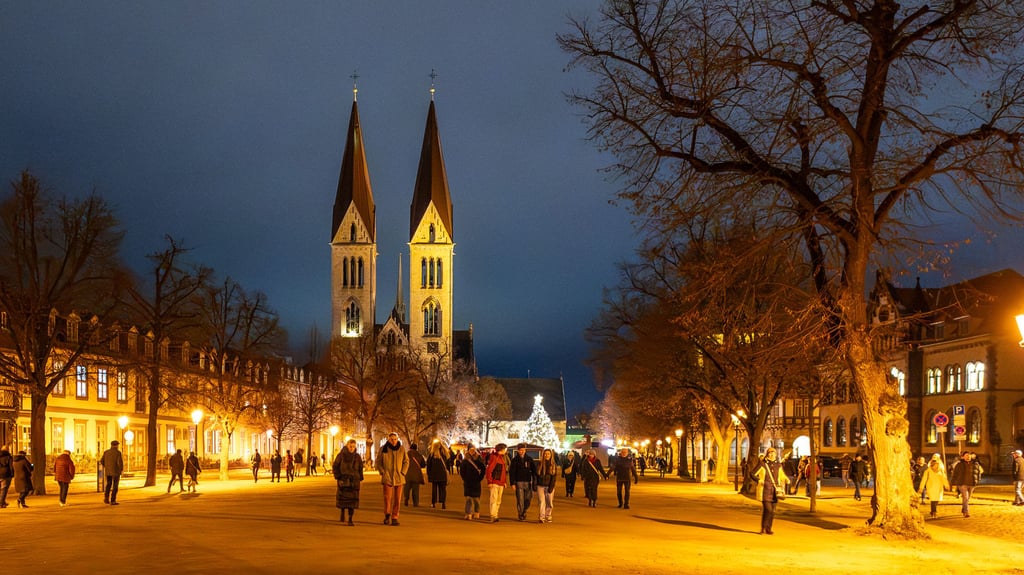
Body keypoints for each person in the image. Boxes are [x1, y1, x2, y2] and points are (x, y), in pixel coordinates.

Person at [751, 447, 788, 534]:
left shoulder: (778, 465)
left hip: (776, 491)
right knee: (768, 509)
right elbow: (752, 474)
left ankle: (768, 528)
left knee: (773, 511)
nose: (772, 455)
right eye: (770, 453)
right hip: (765, 490)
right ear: (767, 454)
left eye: (773, 453)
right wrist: (759, 480)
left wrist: (786, 479)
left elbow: (782, 475)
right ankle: (763, 527)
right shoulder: (762, 464)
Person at [376, 432, 408, 526]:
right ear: (388, 440)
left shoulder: (401, 449)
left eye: (395, 439)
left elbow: (406, 461)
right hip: (387, 477)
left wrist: (403, 472)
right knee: (387, 498)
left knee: (397, 499)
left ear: (397, 439)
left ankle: (395, 517)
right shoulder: (384, 449)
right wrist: (382, 471)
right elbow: (378, 461)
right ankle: (387, 515)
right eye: (392, 439)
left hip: (399, 477)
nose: (394, 441)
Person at [332, 439, 363, 525]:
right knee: (343, 499)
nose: (352, 448)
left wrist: (360, 477)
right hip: (343, 479)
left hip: (354, 481)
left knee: (352, 501)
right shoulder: (341, 456)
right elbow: (335, 466)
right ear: (347, 446)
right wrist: (338, 476)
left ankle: (350, 518)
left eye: (353, 446)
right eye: (350, 446)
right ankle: (342, 511)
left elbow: (360, 467)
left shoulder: (357, 457)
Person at [950, 450, 983, 518]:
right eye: (966, 455)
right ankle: (966, 512)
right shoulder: (959, 464)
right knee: (965, 497)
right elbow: (955, 474)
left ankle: (964, 509)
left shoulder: (975, 464)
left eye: (969, 455)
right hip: (962, 483)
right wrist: (952, 484)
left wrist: (978, 480)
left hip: (972, 483)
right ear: (963, 457)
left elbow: (978, 472)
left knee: (968, 498)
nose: (968, 457)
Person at [509, 443, 537, 521]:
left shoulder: (529, 459)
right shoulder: (514, 460)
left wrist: (536, 479)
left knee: (528, 498)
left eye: (523, 450)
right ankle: (521, 513)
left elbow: (534, 470)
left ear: (525, 450)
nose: (522, 451)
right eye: (520, 450)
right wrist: (512, 483)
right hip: (518, 481)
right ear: (518, 450)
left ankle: (524, 509)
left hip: (528, 481)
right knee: (520, 499)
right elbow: (512, 472)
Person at [459, 445, 485, 520]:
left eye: (473, 449)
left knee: (476, 499)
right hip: (468, 482)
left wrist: (480, 478)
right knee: (468, 499)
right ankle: (468, 513)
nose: (472, 451)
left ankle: (477, 512)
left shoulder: (479, 459)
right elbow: (462, 471)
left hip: (476, 482)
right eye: (470, 449)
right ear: (468, 450)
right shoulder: (465, 460)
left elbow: (483, 470)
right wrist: (465, 479)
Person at [485, 443, 509, 523]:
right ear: (501, 450)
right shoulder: (495, 457)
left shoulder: (501, 458)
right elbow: (489, 470)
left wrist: (504, 481)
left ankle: (496, 514)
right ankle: (493, 515)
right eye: (505, 449)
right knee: (494, 499)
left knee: (498, 500)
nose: (506, 450)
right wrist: (490, 481)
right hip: (495, 482)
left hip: (501, 482)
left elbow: (503, 472)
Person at [534, 448, 559, 523]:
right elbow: (536, 475)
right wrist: (535, 484)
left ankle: (548, 515)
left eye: (548, 454)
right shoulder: (539, 464)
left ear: (551, 455)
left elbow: (554, 477)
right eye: (545, 454)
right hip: (540, 485)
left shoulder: (553, 465)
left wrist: (551, 487)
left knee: (549, 502)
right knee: (542, 501)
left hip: (549, 486)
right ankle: (542, 517)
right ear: (543, 455)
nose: (547, 455)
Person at [426, 440, 451, 509]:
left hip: (434, 474)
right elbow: (448, 464)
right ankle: (443, 503)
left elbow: (428, 464)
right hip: (443, 474)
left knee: (434, 489)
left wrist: (429, 474)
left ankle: (433, 503)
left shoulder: (432, 454)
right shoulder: (445, 453)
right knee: (443, 489)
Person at [101, 440, 124, 505]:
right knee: (115, 486)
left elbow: (102, 461)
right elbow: (120, 463)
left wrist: (107, 467)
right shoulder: (118, 453)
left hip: (108, 472)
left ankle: (106, 498)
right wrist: (121, 470)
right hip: (116, 472)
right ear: (116, 445)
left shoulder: (106, 452)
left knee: (108, 485)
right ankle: (113, 500)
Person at [403, 443, 426, 507]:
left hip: (407, 474)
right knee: (415, 490)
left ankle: (406, 499)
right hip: (416, 475)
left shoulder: (406, 455)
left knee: (406, 488)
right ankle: (415, 503)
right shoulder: (419, 455)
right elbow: (423, 465)